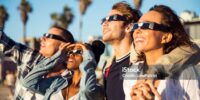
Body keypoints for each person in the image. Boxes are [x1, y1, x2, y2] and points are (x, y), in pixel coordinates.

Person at [123, 5, 200, 100]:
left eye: (146, 25)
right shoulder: (132, 73)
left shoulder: (185, 72)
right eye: (136, 26)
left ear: (166, 37)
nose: (137, 30)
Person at [0, 26, 75, 99]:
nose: (42, 38)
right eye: (44, 35)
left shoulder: (68, 80)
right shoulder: (30, 56)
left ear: (65, 45)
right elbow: (3, 41)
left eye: (49, 36)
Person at [21, 40, 105, 100]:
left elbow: (86, 90)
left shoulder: (97, 90)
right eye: (69, 52)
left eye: (78, 52)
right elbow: (28, 82)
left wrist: (89, 59)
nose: (71, 54)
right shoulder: (58, 82)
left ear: (89, 56)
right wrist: (57, 56)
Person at [101, 1, 141, 100]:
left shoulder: (143, 62)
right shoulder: (107, 68)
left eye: (112, 18)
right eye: (104, 20)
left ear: (128, 27)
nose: (105, 23)